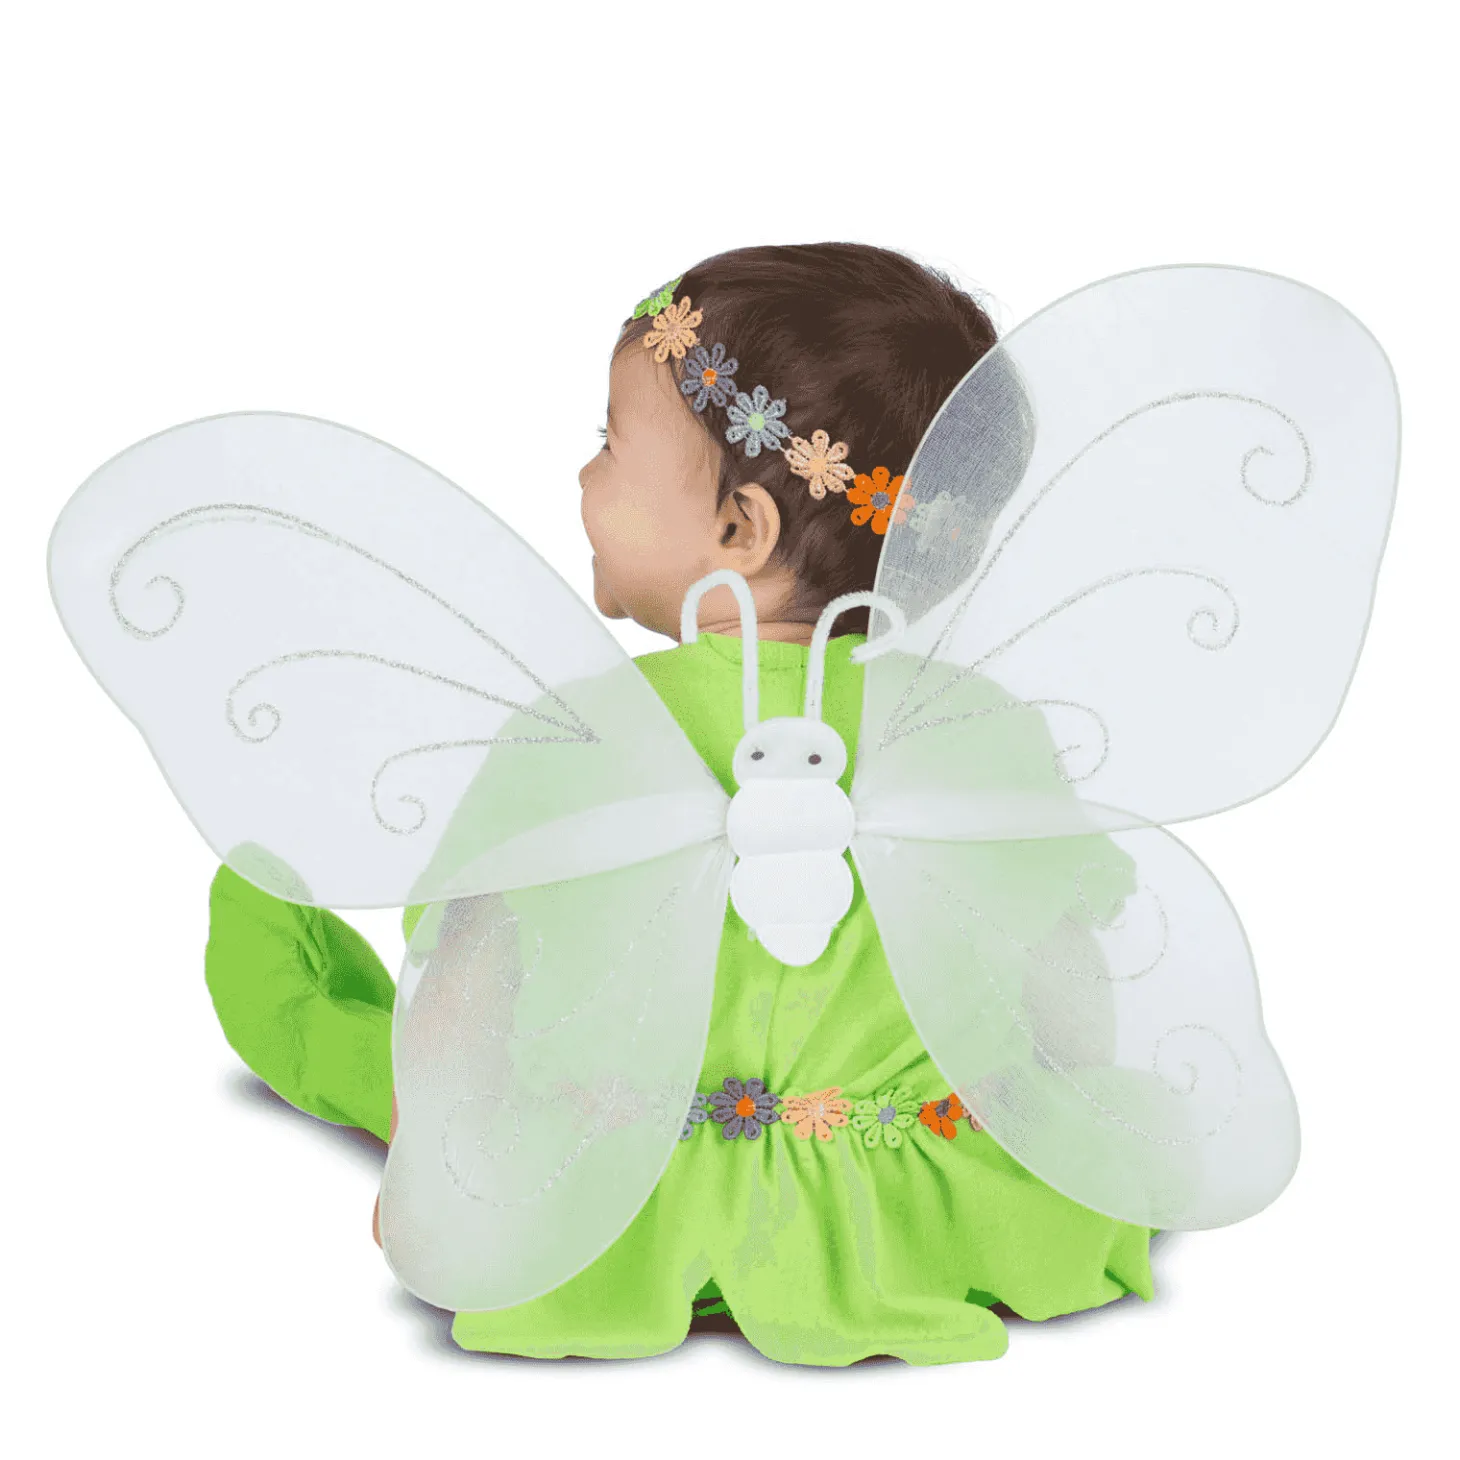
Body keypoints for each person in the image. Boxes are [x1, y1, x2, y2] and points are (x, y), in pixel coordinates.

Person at [206, 242, 1155, 1365]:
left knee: (366, 1048)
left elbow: (465, 983)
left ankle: (280, 964)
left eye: (611, 445)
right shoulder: (980, 729)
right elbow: (1061, 983)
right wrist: (1066, 1137)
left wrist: (435, 1178)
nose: (584, 477)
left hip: (614, 1203)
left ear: (739, 528)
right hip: (934, 1202)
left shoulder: (586, 732)